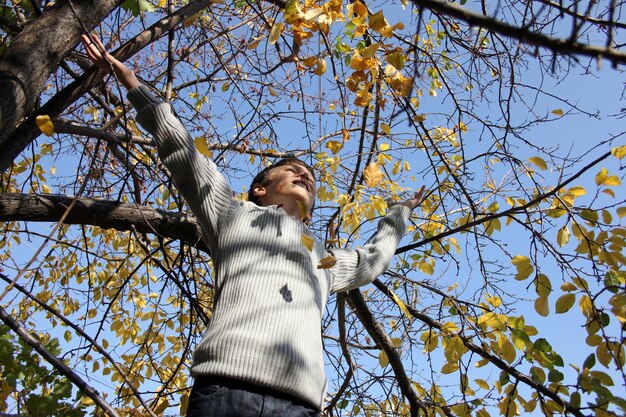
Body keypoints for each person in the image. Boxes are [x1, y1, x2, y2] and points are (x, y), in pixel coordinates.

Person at [82, 33, 425, 417]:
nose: (304, 175)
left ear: (310, 211)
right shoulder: (231, 214)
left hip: (303, 406)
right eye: (293, 170)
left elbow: (373, 258)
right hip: (225, 391)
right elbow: (184, 154)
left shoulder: (324, 258)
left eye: (310, 177)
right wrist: (134, 85)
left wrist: (398, 213)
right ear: (260, 189)